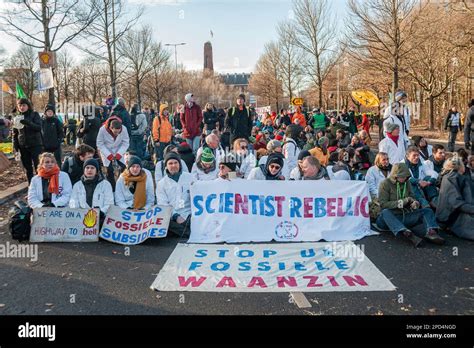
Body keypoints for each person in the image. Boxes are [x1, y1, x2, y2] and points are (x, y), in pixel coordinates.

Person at [376, 163, 444, 247]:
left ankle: (431, 232)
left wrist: (414, 203)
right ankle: (407, 233)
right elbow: (383, 204)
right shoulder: (385, 183)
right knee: (385, 212)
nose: (404, 178)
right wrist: (404, 201)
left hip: (405, 216)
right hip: (389, 219)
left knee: (427, 211)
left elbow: (412, 197)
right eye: (402, 176)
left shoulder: (406, 182)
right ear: (395, 175)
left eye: (405, 176)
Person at [435, 155, 474, 240]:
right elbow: (456, 202)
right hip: (450, 217)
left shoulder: (449, 176)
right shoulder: (453, 177)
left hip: (446, 216)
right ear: (459, 166)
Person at [156, 152, 194, 237]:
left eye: (176, 163)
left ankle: (185, 232)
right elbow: (163, 204)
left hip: (189, 214)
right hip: (172, 216)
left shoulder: (190, 177)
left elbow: (197, 196)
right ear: (166, 166)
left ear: (180, 164)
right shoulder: (161, 183)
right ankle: (189, 233)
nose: (173, 165)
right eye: (170, 163)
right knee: (163, 222)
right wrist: (176, 216)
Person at [69, 158, 114, 226]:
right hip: (81, 219)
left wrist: (100, 212)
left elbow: (109, 203)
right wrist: (79, 212)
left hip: (101, 220)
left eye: (92, 168)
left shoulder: (105, 184)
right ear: (84, 170)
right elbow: (73, 202)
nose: (89, 170)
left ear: (97, 171)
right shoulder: (77, 185)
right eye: (87, 168)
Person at [12, 98, 43, 183]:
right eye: (20, 105)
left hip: (35, 145)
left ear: (28, 106)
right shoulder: (17, 117)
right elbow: (15, 133)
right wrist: (15, 147)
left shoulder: (34, 114)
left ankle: (40, 186)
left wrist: (28, 123)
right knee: (27, 168)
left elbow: (38, 128)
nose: (22, 107)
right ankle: (31, 186)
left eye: (24, 105)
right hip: (23, 146)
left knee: (38, 166)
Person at [96, 116, 130, 190]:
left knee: (123, 167)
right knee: (109, 170)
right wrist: (108, 155)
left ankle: (121, 185)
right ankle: (113, 188)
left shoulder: (124, 129)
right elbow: (99, 143)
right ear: (111, 128)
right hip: (106, 150)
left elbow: (126, 142)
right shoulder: (102, 130)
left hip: (119, 148)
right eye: (115, 132)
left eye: (119, 132)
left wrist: (119, 153)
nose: (117, 134)